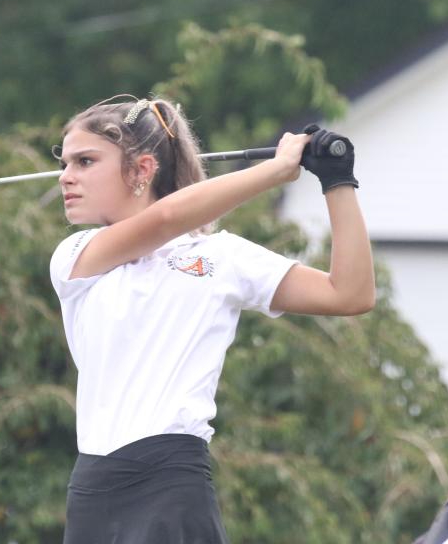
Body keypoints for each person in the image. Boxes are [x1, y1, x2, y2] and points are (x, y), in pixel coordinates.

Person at [49, 95, 375, 543]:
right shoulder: (75, 256)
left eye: (84, 161)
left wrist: (338, 181)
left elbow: (351, 293)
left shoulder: (221, 256)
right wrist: (276, 170)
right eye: (64, 163)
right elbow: (166, 217)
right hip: (92, 495)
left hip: (172, 485)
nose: (66, 177)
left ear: (142, 170)